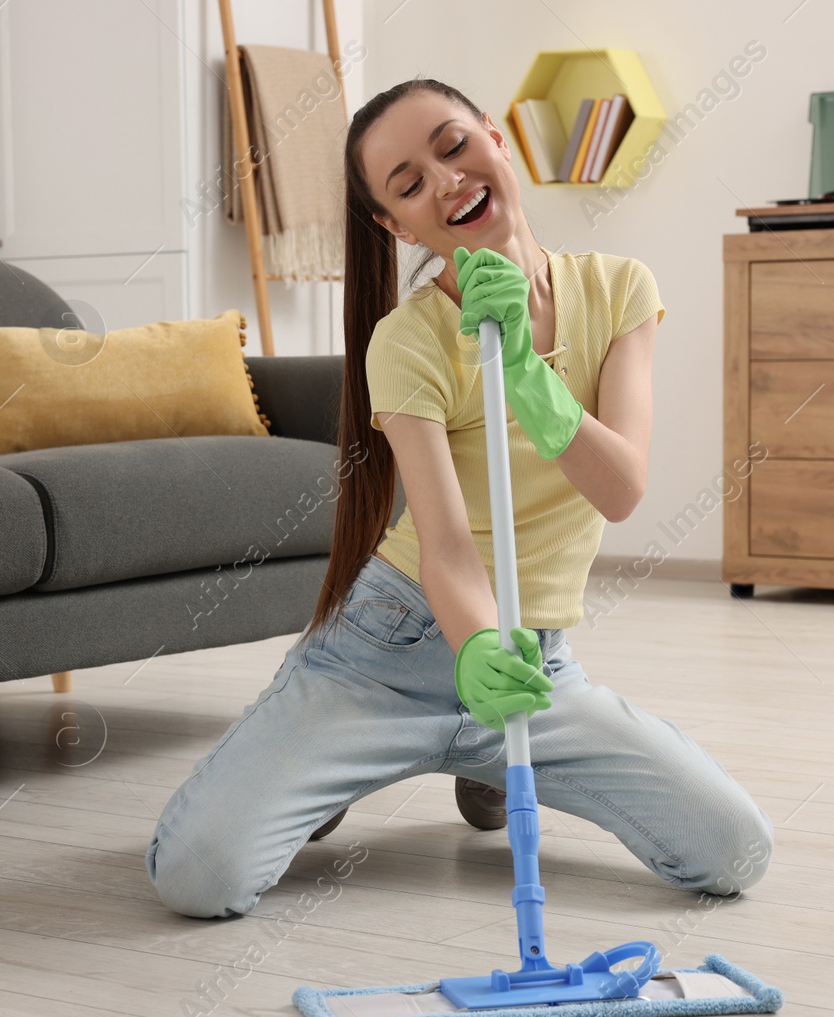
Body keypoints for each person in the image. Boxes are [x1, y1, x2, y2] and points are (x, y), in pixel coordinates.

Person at [145, 78, 773, 919]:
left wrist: (523, 376)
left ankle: (482, 762)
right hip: (387, 656)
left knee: (734, 852)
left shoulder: (619, 289)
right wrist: (472, 645)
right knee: (197, 879)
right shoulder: (406, 340)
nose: (445, 181)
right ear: (396, 226)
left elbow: (619, 487)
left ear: (496, 140)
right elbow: (442, 543)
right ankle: (318, 751)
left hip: (529, 666)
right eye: (408, 184)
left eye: (453, 146)